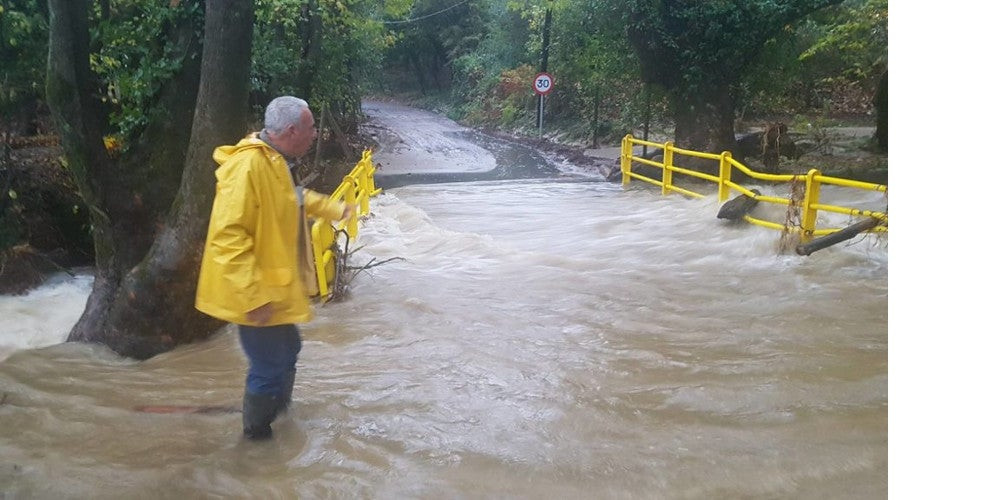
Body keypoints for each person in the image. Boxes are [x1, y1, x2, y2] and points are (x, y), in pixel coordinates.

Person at [195, 96, 354, 440]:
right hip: (255, 293)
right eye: (311, 128)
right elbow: (228, 238)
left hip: (273, 287)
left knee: (289, 350)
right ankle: (256, 441)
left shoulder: (278, 161)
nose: (315, 135)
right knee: (268, 365)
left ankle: (280, 414)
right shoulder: (248, 167)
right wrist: (254, 297)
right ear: (293, 130)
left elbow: (294, 199)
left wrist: (334, 209)